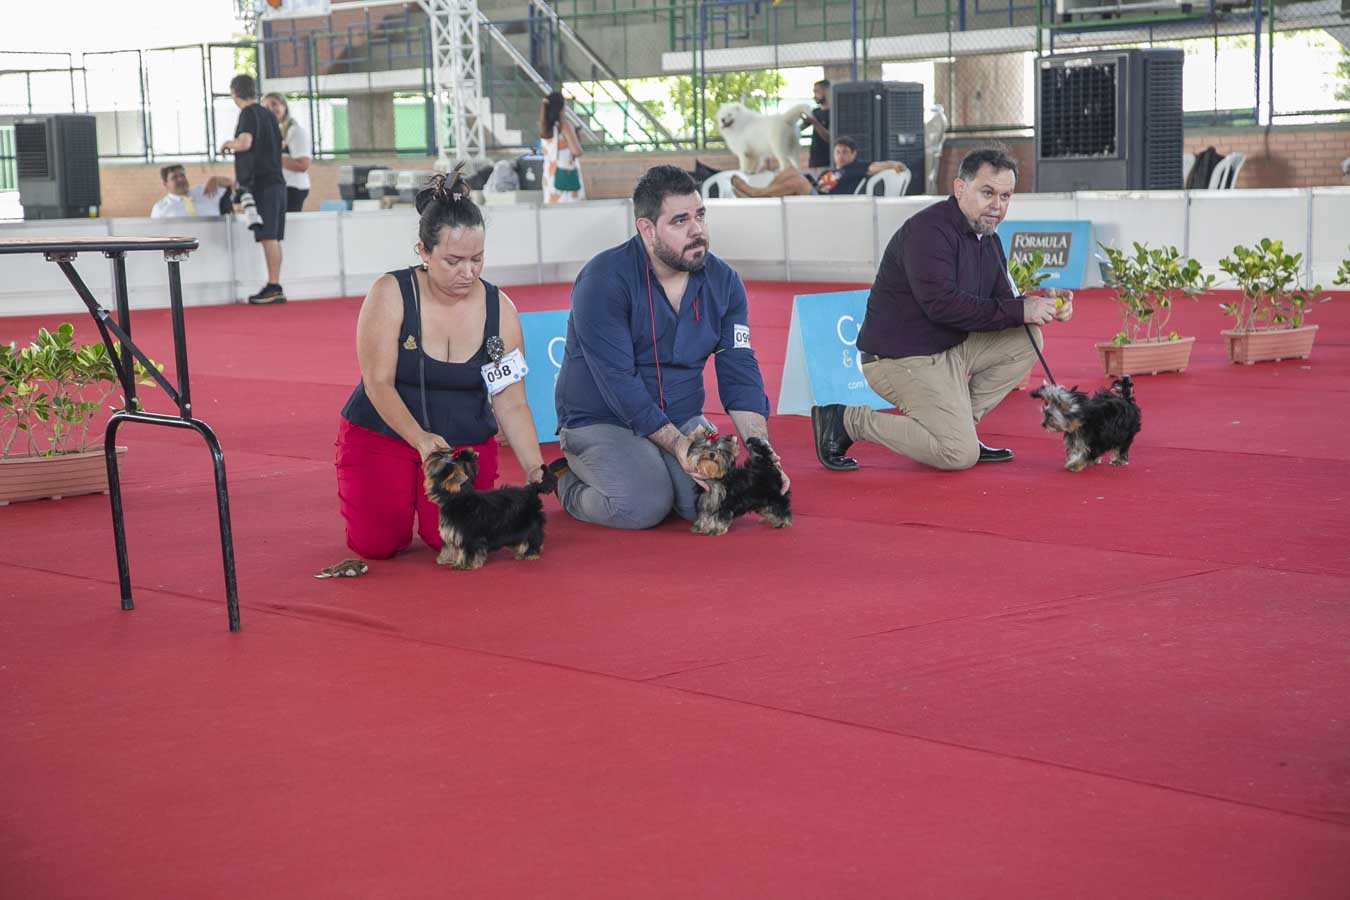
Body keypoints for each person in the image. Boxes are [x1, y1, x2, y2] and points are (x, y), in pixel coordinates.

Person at [551, 165, 789, 530]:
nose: (697, 231)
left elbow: (739, 369)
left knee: (710, 502)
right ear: (647, 229)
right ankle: (566, 481)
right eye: (680, 221)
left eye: (700, 216)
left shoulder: (725, 282)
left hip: (680, 414)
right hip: (603, 418)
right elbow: (618, 383)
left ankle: (652, 464)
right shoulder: (603, 280)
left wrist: (762, 449)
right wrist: (678, 446)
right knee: (644, 505)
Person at [811, 147, 1074, 473]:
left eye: (1006, 196)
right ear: (960, 188)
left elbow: (1004, 303)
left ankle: (961, 425)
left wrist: (1043, 304)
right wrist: (1022, 310)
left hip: (947, 347)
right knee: (958, 454)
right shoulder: (927, 232)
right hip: (899, 357)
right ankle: (847, 420)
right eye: (988, 193)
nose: (997, 205)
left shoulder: (988, 238)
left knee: (1025, 337)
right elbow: (942, 306)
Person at [335, 170, 546, 560]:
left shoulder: (501, 311)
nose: (468, 272)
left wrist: (535, 468)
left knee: (450, 540)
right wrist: (419, 439)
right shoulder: (389, 293)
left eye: (477, 259)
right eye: (453, 260)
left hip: (463, 447)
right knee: (376, 544)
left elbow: (511, 400)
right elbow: (377, 382)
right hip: (387, 434)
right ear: (423, 251)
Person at [220, 74, 288, 305]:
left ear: (234, 92)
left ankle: (274, 285)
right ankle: (274, 284)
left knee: (268, 236)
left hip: (263, 184)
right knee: (273, 237)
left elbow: (245, 143)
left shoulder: (248, 114)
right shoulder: (268, 114)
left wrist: (228, 144)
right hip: (276, 182)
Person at [730, 136, 906, 198]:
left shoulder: (858, 166)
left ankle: (756, 193)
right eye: (838, 152)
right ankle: (763, 196)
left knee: (798, 181)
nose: (841, 156)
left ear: (854, 154)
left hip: (826, 203)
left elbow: (877, 166)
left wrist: (894, 164)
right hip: (816, 193)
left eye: (845, 152)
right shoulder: (832, 170)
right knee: (791, 170)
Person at [262, 92, 312, 212]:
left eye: (274, 104)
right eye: (266, 107)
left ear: (284, 106)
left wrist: (271, 156)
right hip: (279, 187)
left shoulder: (295, 131)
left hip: (292, 188)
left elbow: (303, 165)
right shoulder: (276, 131)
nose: (271, 109)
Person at [539, 91, 585, 204]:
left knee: (553, 211)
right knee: (571, 211)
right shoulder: (564, 126)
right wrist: (577, 137)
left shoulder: (544, 128)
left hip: (549, 178)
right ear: (561, 107)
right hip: (566, 177)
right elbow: (576, 151)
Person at [150, 165, 231, 218]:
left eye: (182, 175)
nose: (181, 179)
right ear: (165, 184)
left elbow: (232, 184)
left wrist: (216, 180)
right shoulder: (160, 208)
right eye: (174, 177)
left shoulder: (205, 191)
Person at [800, 78, 831, 177]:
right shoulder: (815, 112)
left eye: (817, 92)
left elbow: (830, 138)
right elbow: (800, 128)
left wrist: (814, 122)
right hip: (814, 162)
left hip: (828, 163)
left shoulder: (834, 112)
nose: (814, 96)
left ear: (826, 91)